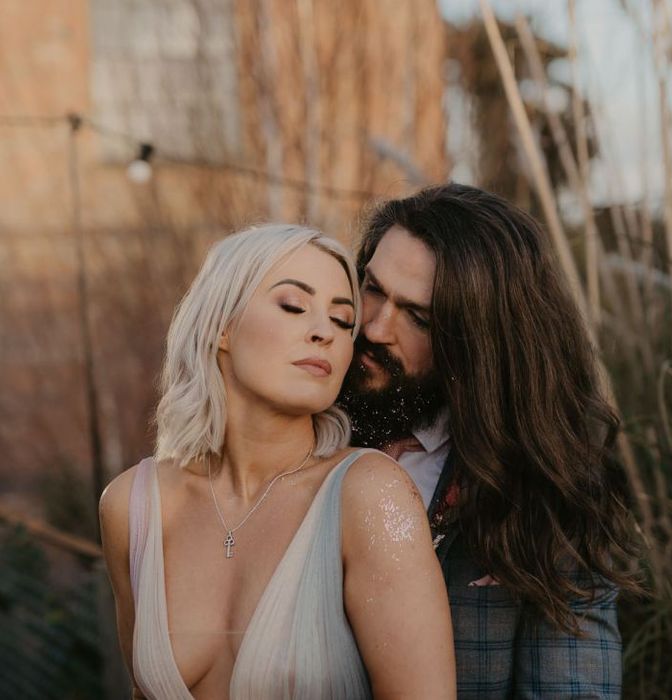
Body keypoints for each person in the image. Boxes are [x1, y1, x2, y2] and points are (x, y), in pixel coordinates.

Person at [99, 224, 456, 699]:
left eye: (342, 321)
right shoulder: (133, 506)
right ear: (222, 325)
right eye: (293, 306)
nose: (322, 332)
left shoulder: (369, 494)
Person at [338, 183, 639, 698]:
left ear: (479, 344)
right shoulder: (295, 427)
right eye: (371, 286)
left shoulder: (545, 491)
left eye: (418, 317)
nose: (375, 327)